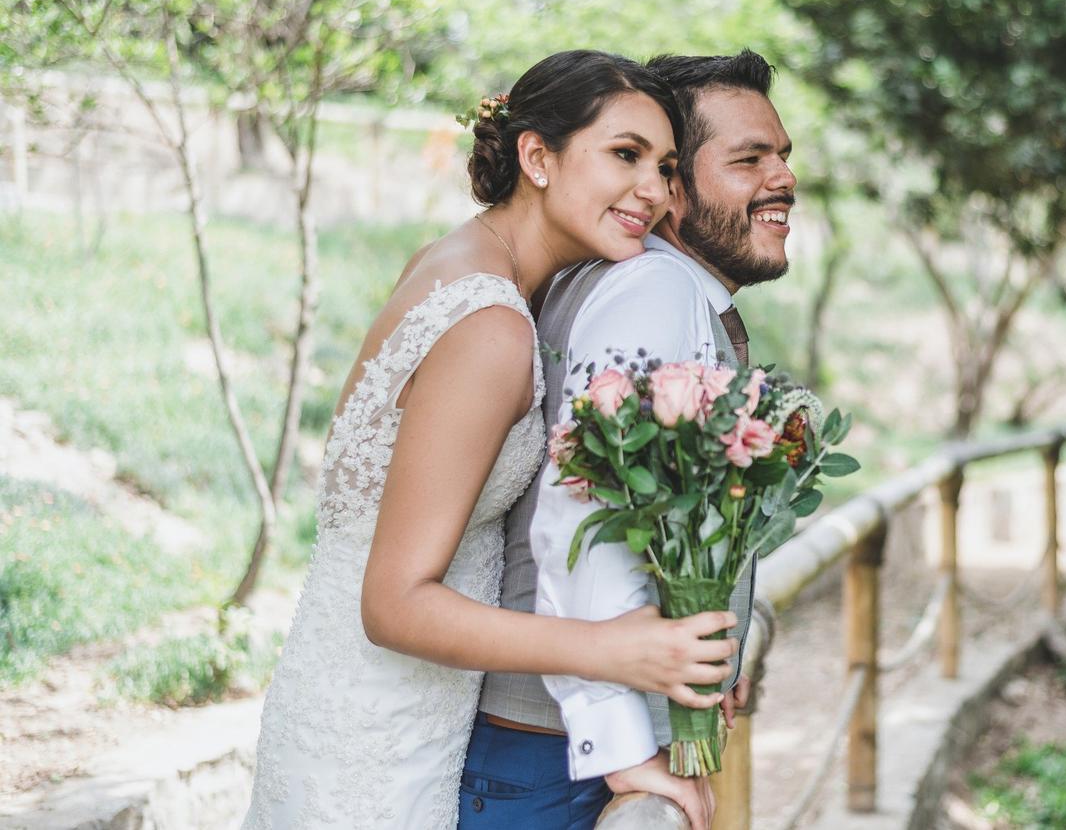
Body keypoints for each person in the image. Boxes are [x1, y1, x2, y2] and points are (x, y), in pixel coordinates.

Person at [240, 49, 740, 830]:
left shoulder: (461, 266)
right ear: (536, 156)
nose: (655, 191)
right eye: (625, 155)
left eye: (668, 166)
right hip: (381, 731)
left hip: (364, 700)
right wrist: (609, 649)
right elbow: (393, 604)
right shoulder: (491, 327)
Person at [470, 49, 795, 830]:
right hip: (560, 762)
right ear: (673, 192)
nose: (781, 179)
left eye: (783, 156)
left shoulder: (638, 280)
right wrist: (624, 751)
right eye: (748, 160)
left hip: (555, 751)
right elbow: (582, 523)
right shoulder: (654, 289)